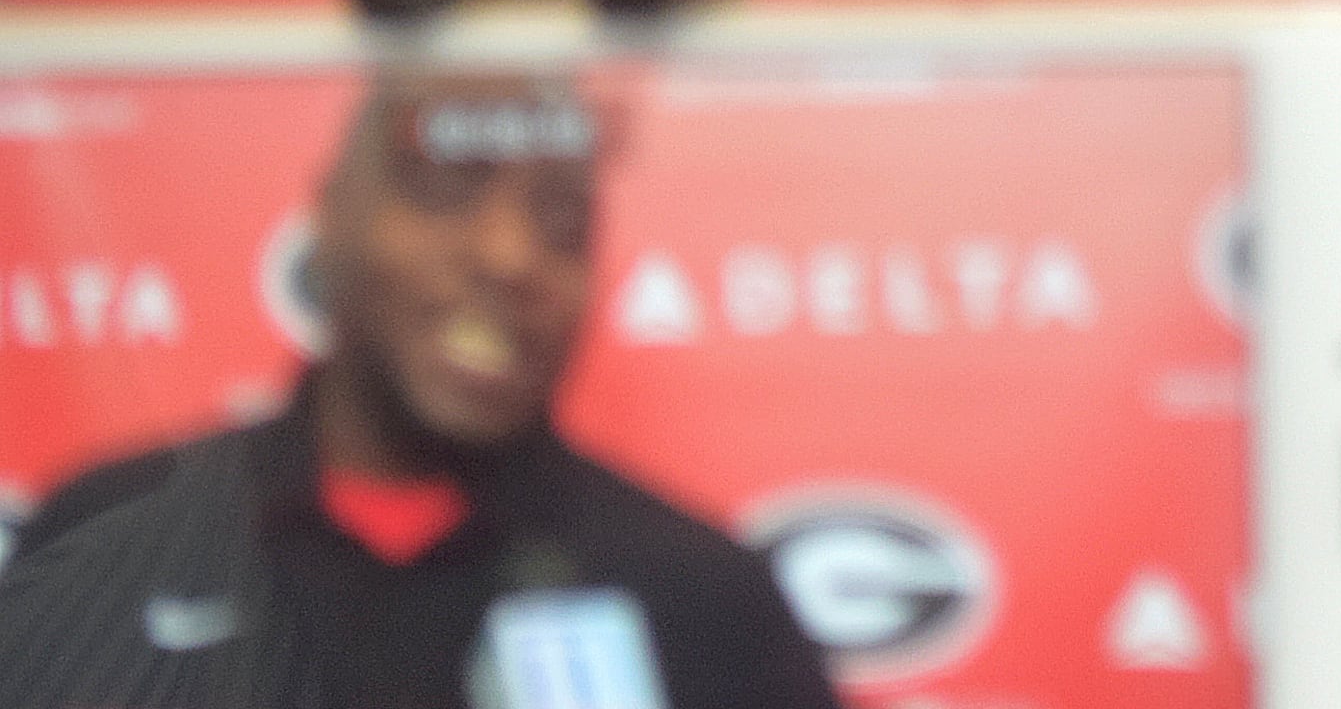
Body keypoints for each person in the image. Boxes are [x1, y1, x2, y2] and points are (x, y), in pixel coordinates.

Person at [0, 53, 838, 708]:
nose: (510, 257)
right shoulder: (107, 543)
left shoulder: (699, 593)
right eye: (449, 190)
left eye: (561, 221)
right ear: (331, 219)